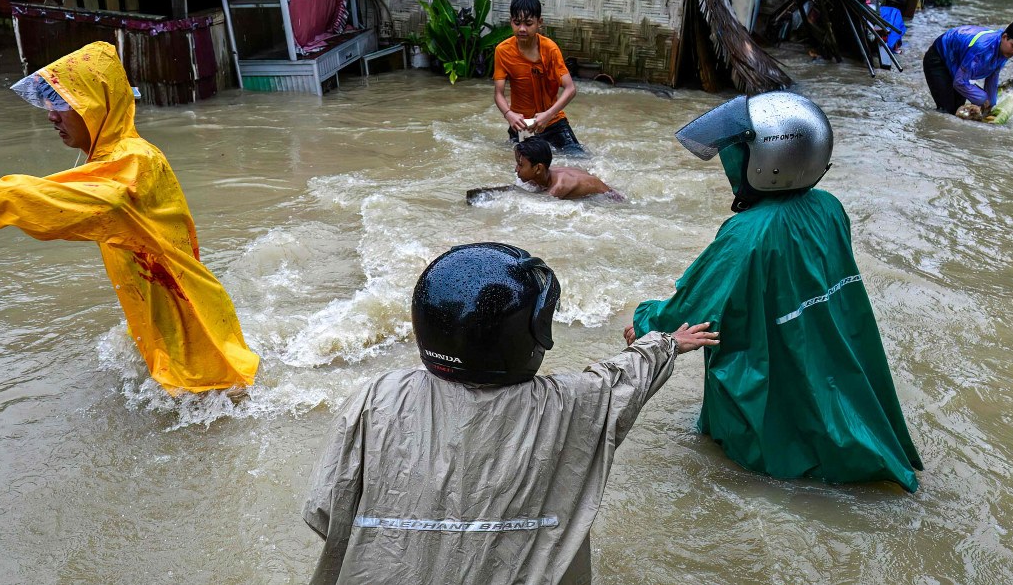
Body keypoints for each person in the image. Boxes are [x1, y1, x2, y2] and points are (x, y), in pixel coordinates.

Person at [304, 242, 718, 584]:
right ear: (530, 335)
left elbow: (323, 511)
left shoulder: (376, 397)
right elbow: (623, 377)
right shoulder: (570, 402)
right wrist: (668, 342)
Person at [623, 92, 923, 492]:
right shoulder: (829, 207)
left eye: (738, 153)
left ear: (768, 161)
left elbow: (694, 308)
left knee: (758, 469)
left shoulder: (747, 232)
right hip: (820, 360)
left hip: (768, 382)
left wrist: (645, 323)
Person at [0, 42, 260, 394]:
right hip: (163, 313)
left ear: (95, 105)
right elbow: (64, 198)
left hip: (188, 319)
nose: (51, 116)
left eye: (62, 102)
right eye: (49, 103)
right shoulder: (106, 162)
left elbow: (99, 205)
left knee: (217, 397)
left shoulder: (136, 158)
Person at [493, 0, 584, 155]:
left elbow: (570, 89)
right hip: (522, 124)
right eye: (517, 23)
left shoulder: (550, 49)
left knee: (579, 159)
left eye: (528, 24)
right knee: (523, 166)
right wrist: (509, 114)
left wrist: (548, 115)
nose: (522, 29)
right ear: (511, 22)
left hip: (553, 121)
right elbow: (498, 94)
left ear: (539, 23)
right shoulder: (502, 51)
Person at [923, 19, 1013, 116]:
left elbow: (993, 76)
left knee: (957, 109)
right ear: (1004, 37)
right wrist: (982, 99)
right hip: (938, 58)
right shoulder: (981, 48)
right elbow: (960, 82)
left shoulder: (1005, 50)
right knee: (946, 111)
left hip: (957, 63)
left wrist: (991, 104)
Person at [513, 136, 620, 200]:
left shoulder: (559, 187)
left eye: (520, 165)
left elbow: (538, 204)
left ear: (538, 169)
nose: (516, 169)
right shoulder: (542, 173)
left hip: (610, 198)